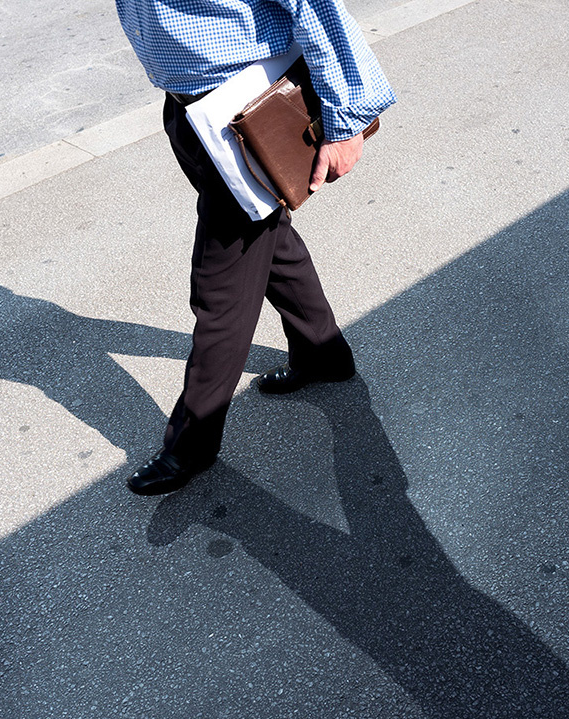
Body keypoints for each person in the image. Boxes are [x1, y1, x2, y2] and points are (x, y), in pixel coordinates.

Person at [117, 0, 396, 495]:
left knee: (220, 292)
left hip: (244, 110)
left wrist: (346, 120)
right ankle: (322, 353)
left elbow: (315, 6)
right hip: (192, 111)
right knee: (270, 239)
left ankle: (191, 443)